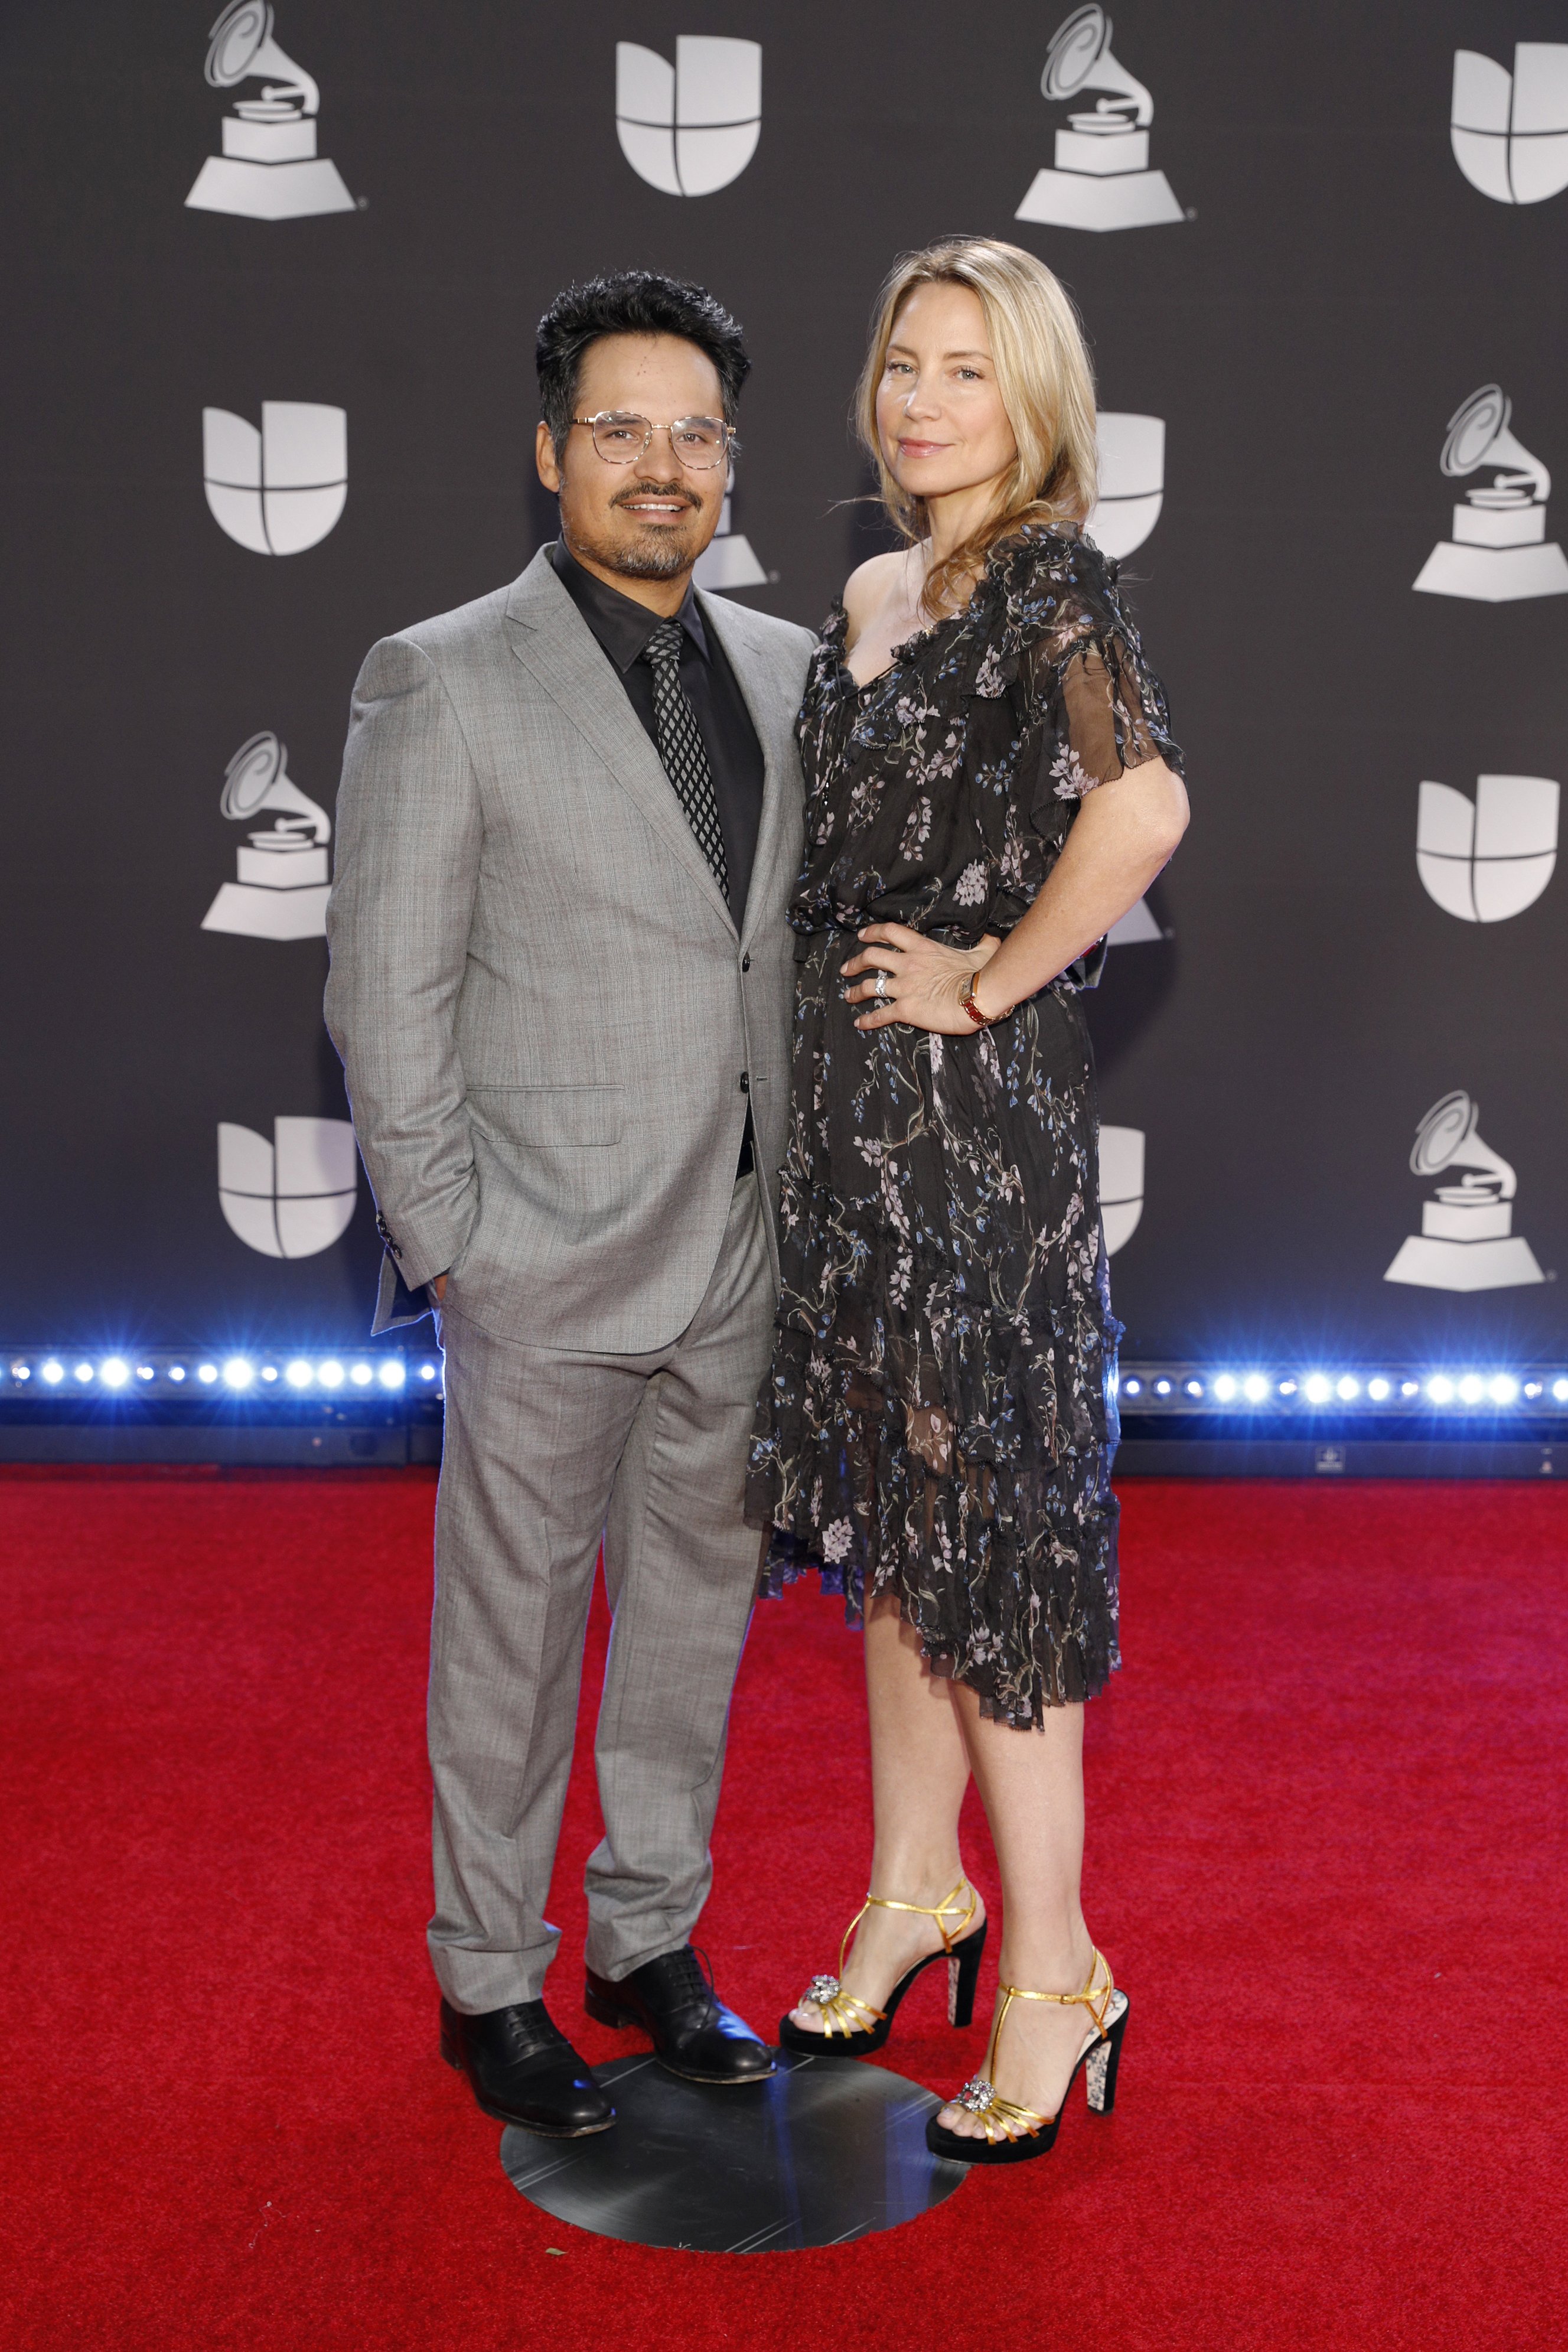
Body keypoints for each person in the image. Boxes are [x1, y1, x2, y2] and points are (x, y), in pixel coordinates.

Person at [326, 271, 814, 2139]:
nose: (662, 466)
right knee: (512, 1644)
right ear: (550, 457)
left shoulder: (785, 669)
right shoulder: (436, 674)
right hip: (542, 1259)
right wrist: (460, 1247)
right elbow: (386, 996)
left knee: (692, 1625)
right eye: (620, 429)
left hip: (744, 1252)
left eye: (695, 432)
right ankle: (489, 1978)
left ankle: (646, 1940)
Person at [745, 237, 1188, 2165]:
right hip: (851, 1135)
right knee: (897, 1532)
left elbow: (1145, 806)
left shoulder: (1052, 581)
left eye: (965, 371)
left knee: (987, 1553)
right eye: (903, 363)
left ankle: (1055, 1968)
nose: (922, 400)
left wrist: (997, 975)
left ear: (1034, 401)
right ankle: (912, 1891)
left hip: (968, 1130)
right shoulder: (866, 585)